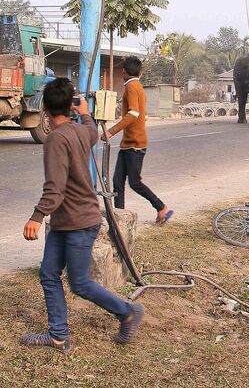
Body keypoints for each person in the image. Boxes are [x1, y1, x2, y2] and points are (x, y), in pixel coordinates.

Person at [22, 78, 144, 352]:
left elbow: (54, 189)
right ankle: (58, 336)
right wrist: (86, 113)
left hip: (78, 223)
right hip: (68, 221)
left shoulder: (56, 139)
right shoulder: (81, 131)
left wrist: (36, 217)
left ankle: (127, 312)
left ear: (44, 108)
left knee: (79, 283)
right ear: (70, 106)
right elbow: (91, 128)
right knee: (48, 274)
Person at [102, 56, 172, 225]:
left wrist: (111, 131)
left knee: (134, 183)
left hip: (135, 145)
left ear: (124, 71)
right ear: (139, 72)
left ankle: (161, 207)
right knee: (118, 183)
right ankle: (119, 219)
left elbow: (133, 114)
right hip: (127, 145)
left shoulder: (132, 87)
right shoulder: (135, 86)